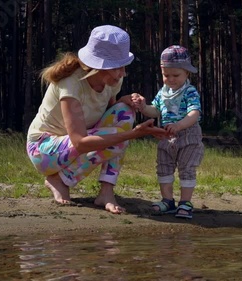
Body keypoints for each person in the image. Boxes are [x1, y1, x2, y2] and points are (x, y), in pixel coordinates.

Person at [26, 25, 167, 214]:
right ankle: (58, 179)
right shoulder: (71, 85)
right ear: (100, 67)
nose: (123, 73)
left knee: (125, 112)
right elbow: (80, 142)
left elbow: (106, 115)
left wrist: (125, 101)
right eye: (118, 67)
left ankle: (106, 192)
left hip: (76, 143)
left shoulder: (112, 81)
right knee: (119, 136)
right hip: (43, 150)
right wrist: (133, 134)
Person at [133, 45, 204, 219]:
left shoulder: (189, 91)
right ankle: (167, 201)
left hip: (188, 134)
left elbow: (194, 113)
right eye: (166, 75)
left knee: (187, 168)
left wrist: (179, 125)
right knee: (164, 166)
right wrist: (143, 107)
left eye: (176, 75)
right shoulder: (163, 92)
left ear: (187, 73)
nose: (170, 79)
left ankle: (185, 202)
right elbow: (155, 111)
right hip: (166, 135)